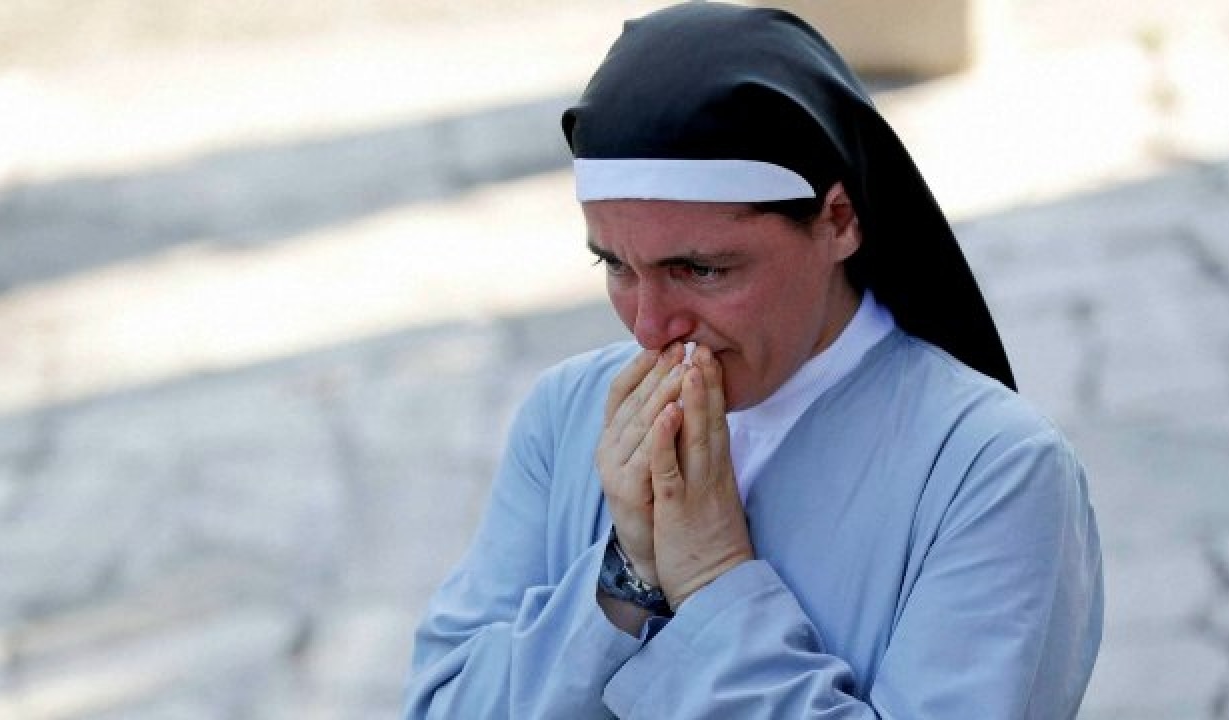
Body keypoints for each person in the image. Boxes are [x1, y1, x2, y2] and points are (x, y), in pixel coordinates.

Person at [403, 3, 1103, 718]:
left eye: (702, 269)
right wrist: (624, 584)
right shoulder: (567, 414)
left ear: (839, 220)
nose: (650, 327)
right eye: (614, 264)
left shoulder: (993, 472)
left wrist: (710, 583)